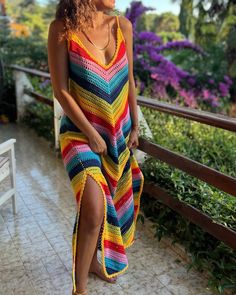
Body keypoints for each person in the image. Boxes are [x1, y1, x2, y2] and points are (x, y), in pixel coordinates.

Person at [47, 1, 144, 294]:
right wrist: (90, 133)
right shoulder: (62, 29)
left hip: (119, 135)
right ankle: (80, 289)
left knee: (104, 204)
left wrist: (136, 125)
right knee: (93, 206)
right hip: (79, 134)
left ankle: (91, 261)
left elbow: (128, 81)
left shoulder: (122, 27)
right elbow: (61, 90)